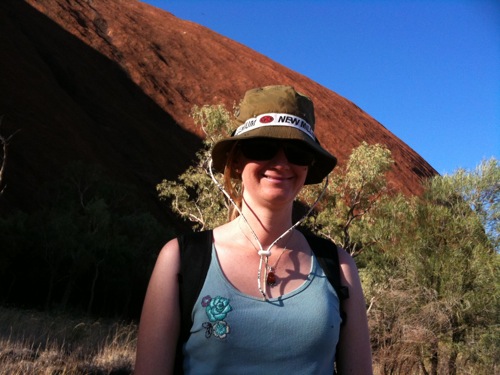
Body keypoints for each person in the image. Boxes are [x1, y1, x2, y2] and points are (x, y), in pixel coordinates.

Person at [135, 85, 373, 374]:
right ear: (235, 160)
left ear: (309, 166)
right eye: (263, 147)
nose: (282, 163)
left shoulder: (338, 265)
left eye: (298, 151)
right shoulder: (182, 259)